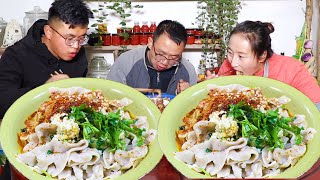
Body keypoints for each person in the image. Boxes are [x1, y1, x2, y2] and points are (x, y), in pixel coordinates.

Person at [0, 0, 93, 118]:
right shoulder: (16, 55)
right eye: (70, 38)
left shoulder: (78, 53)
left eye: (81, 38)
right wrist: (44, 89)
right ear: (48, 32)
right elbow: (2, 103)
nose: (76, 46)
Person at [206, 20, 320, 109]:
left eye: (241, 56)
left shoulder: (292, 69)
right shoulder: (227, 65)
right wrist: (211, 92)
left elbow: (316, 108)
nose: (233, 62)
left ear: (262, 56)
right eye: (230, 53)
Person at [107, 20, 197, 95]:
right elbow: (110, 95)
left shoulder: (188, 70)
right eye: (161, 54)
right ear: (150, 43)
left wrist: (186, 96)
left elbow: (193, 110)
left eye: (174, 58)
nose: (165, 62)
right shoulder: (126, 62)